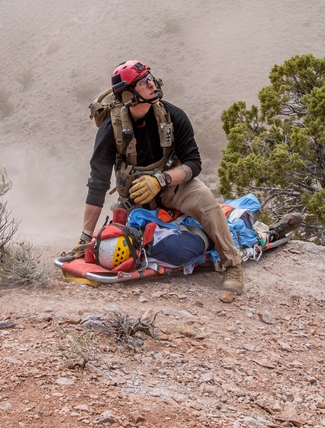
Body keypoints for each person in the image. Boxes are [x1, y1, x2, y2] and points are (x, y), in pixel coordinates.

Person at [77, 59, 245, 300]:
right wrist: (84, 237)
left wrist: (161, 180)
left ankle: (232, 265)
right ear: (128, 95)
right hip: (135, 197)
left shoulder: (174, 116)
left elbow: (193, 163)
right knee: (117, 247)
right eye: (143, 82)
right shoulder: (110, 130)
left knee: (204, 198)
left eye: (150, 78)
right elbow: (98, 184)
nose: (152, 84)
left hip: (172, 186)